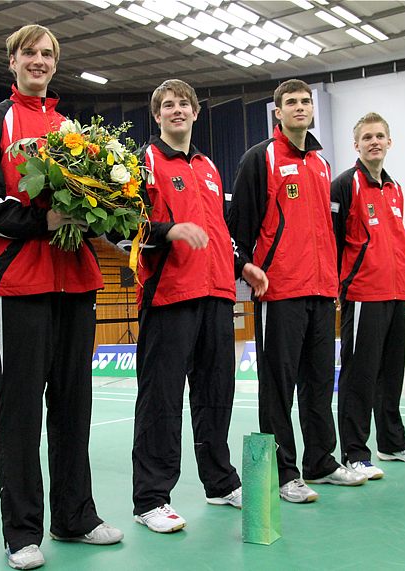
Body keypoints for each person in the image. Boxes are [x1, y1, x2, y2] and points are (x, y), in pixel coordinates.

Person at [0, 24, 122, 570]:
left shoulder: (73, 131)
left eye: (48, 53)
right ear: (12, 61)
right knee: (20, 413)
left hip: (76, 283)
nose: (39, 60)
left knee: (74, 407)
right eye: (29, 52)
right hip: (19, 285)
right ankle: (22, 532)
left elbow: (98, 202)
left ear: (55, 64)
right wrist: (41, 220)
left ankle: (75, 517)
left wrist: (100, 212)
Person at [129, 79, 267, 533]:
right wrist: (167, 231)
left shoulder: (209, 167)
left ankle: (220, 481)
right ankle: (151, 499)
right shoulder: (144, 162)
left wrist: (242, 266)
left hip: (217, 295)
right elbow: (124, 224)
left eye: (183, 104)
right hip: (169, 296)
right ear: (157, 116)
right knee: (162, 400)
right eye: (167, 105)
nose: (177, 110)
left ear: (195, 112)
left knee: (216, 396)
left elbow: (219, 230)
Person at [229, 79, 366, 505]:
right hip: (280, 290)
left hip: (322, 291)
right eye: (291, 102)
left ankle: (320, 462)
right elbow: (238, 226)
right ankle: (284, 472)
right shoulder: (260, 157)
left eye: (306, 101)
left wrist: (334, 280)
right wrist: (245, 266)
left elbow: (328, 230)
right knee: (278, 387)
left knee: (320, 382)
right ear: (278, 112)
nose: (300, 107)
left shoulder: (322, 164)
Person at [331, 113, 405, 478]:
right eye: (367, 137)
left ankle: (392, 443)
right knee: (360, 375)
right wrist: (339, 285)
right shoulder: (345, 184)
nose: (374, 142)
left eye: (379, 136)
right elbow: (332, 238)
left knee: (391, 375)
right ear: (356, 145)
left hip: (393, 294)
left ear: (390, 142)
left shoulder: (395, 188)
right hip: (362, 293)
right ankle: (355, 452)